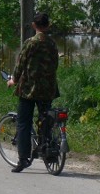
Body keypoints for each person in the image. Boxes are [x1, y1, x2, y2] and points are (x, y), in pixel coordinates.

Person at [6, 12, 60, 172]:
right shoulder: (52, 44)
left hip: (29, 89)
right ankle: (48, 152)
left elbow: (20, 64)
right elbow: (55, 65)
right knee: (46, 121)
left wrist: (13, 80)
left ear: (34, 26)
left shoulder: (31, 43)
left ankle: (23, 160)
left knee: (23, 123)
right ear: (48, 26)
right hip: (48, 89)